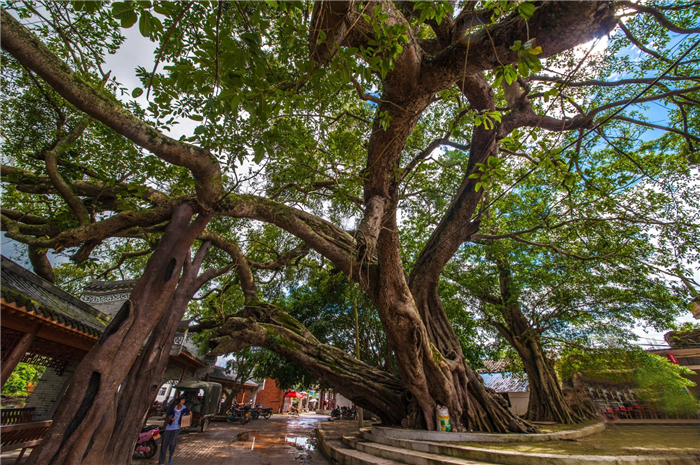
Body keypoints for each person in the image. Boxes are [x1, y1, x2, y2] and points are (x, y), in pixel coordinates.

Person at [159, 396, 190, 465]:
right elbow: (169, 415)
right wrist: (170, 418)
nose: (183, 402)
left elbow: (190, 413)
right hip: (169, 427)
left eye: (184, 401)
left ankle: (170, 457)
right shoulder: (173, 408)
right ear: (179, 401)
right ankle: (161, 461)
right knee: (164, 444)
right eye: (182, 400)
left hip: (177, 427)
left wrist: (187, 421)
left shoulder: (184, 408)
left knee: (172, 443)